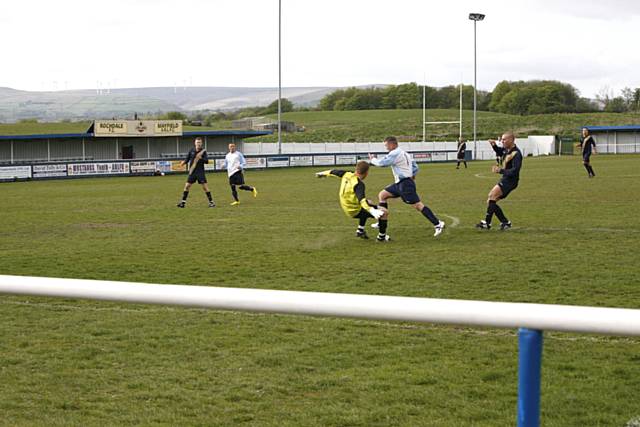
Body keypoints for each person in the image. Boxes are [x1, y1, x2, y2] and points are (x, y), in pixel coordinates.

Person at [368, 136, 445, 240]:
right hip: (401, 183)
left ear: (392, 144)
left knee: (418, 205)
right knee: (383, 195)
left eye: (386, 145)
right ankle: (380, 221)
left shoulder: (394, 153)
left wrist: (372, 159)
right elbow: (415, 167)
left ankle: (438, 224)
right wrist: (411, 175)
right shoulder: (405, 153)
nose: (386, 148)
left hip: (405, 185)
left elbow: (382, 163)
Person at [316, 161, 386, 240]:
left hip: (346, 206)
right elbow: (362, 201)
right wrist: (372, 210)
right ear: (366, 173)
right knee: (384, 212)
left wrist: (322, 173)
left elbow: (333, 172)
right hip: (354, 211)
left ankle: (360, 230)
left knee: (369, 202)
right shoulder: (359, 185)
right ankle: (382, 237)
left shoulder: (347, 174)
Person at [475, 131, 522, 230]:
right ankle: (505, 222)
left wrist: (500, 170)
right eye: (502, 139)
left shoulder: (516, 153)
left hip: (510, 181)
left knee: (492, 196)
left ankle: (487, 223)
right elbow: (500, 152)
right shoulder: (506, 150)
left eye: (504, 139)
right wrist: (494, 146)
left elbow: (515, 170)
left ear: (511, 140)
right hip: (506, 179)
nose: (502, 141)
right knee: (491, 201)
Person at [176, 137, 215, 208]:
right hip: (192, 172)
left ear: (201, 143)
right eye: (197, 142)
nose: (198, 144)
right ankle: (183, 203)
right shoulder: (191, 150)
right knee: (187, 186)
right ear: (195, 143)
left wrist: (201, 158)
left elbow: (207, 161)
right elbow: (187, 159)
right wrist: (183, 163)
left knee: (205, 187)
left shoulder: (203, 151)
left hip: (200, 172)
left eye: (200, 142)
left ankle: (211, 202)